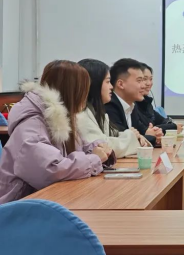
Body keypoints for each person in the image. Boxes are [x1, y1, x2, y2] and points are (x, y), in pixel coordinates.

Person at [0, 60, 110, 203]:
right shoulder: (32, 123)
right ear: (72, 92)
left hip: (45, 201)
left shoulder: (61, 117)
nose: (86, 96)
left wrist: (98, 148)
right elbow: (50, 171)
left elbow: (80, 148)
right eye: (84, 90)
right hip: (18, 207)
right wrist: (94, 159)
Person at [77, 59, 151, 158]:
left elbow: (113, 135)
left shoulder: (96, 111)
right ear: (94, 84)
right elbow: (104, 146)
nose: (111, 86)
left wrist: (136, 136)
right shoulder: (81, 115)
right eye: (108, 82)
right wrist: (131, 136)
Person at [105, 58, 162, 146]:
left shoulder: (131, 105)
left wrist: (154, 135)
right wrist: (149, 137)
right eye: (139, 81)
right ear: (121, 84)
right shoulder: (110, 106)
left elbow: (142, 133)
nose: (144, 86)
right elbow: (122, 142)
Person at [135, 63, 183, 135]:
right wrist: (173, 126)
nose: (149, 83)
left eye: (151, 79)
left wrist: (172, 125)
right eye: (144, 79)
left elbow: (162, 120)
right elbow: (145, 130)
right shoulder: (132, 105)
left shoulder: (146, 102)